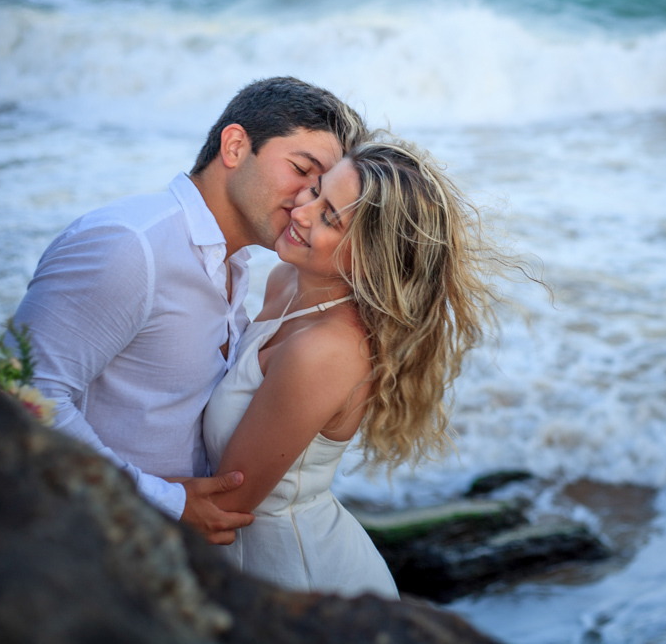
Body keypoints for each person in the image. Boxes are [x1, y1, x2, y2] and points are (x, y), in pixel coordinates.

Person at [13, 77, 366, 544]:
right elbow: (24, 396)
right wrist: (164, 502)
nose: (306, 200)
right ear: (236, 146)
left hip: (154, 557)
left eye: (321, 190)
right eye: (302, 170)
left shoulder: (234, 261)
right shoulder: (131, 245)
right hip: (88, 544)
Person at [202, 136, 508, 598]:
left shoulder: (325, 351)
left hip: (297, 581)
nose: (301, 212)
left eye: (329, 218)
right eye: (316, 190)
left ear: (368, 259)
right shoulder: (288, 282)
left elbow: (226, 507)